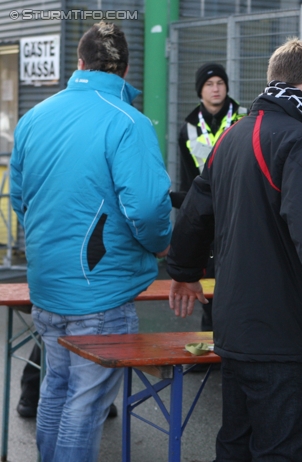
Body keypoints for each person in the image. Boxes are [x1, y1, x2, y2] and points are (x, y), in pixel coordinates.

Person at [165, 38, 302, 461]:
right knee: (281, 449)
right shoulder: (300, 141)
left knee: (235, 445)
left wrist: (183, 269)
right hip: (282, 335)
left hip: (234, 329)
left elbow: (197, 210)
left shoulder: (233, 134)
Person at [10, 21, 172, 462]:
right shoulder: (128, 123)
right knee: (85, 404)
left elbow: (20, 200)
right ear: (125, 69)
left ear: (79, 64)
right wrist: (161, 245)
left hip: (47, 283)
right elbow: (149, 210)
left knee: (56, 390)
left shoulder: (34, 118)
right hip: (100, 290)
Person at [171, 62, 245, 334]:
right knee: (207, 276)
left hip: (239, 209)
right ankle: (210, 341)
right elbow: (187, 178)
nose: (216, 89)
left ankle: (236, 340)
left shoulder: (244, 117)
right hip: (205, 213)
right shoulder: (188, 128)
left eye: (220, 83)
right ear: (199, 91)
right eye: (209, 84)